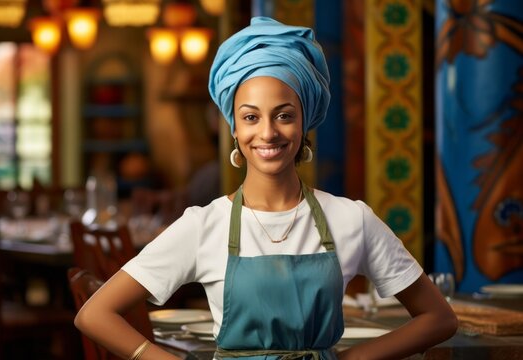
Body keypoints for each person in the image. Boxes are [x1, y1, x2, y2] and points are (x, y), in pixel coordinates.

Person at [74, 17, 458, 360]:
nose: (268, 132)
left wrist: (353, 359)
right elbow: (94, 313)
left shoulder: (351, 218)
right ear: (235, 129)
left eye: (285, 116)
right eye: (251, 117)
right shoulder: (204, 225)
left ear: (304, 121)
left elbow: (439, 318)